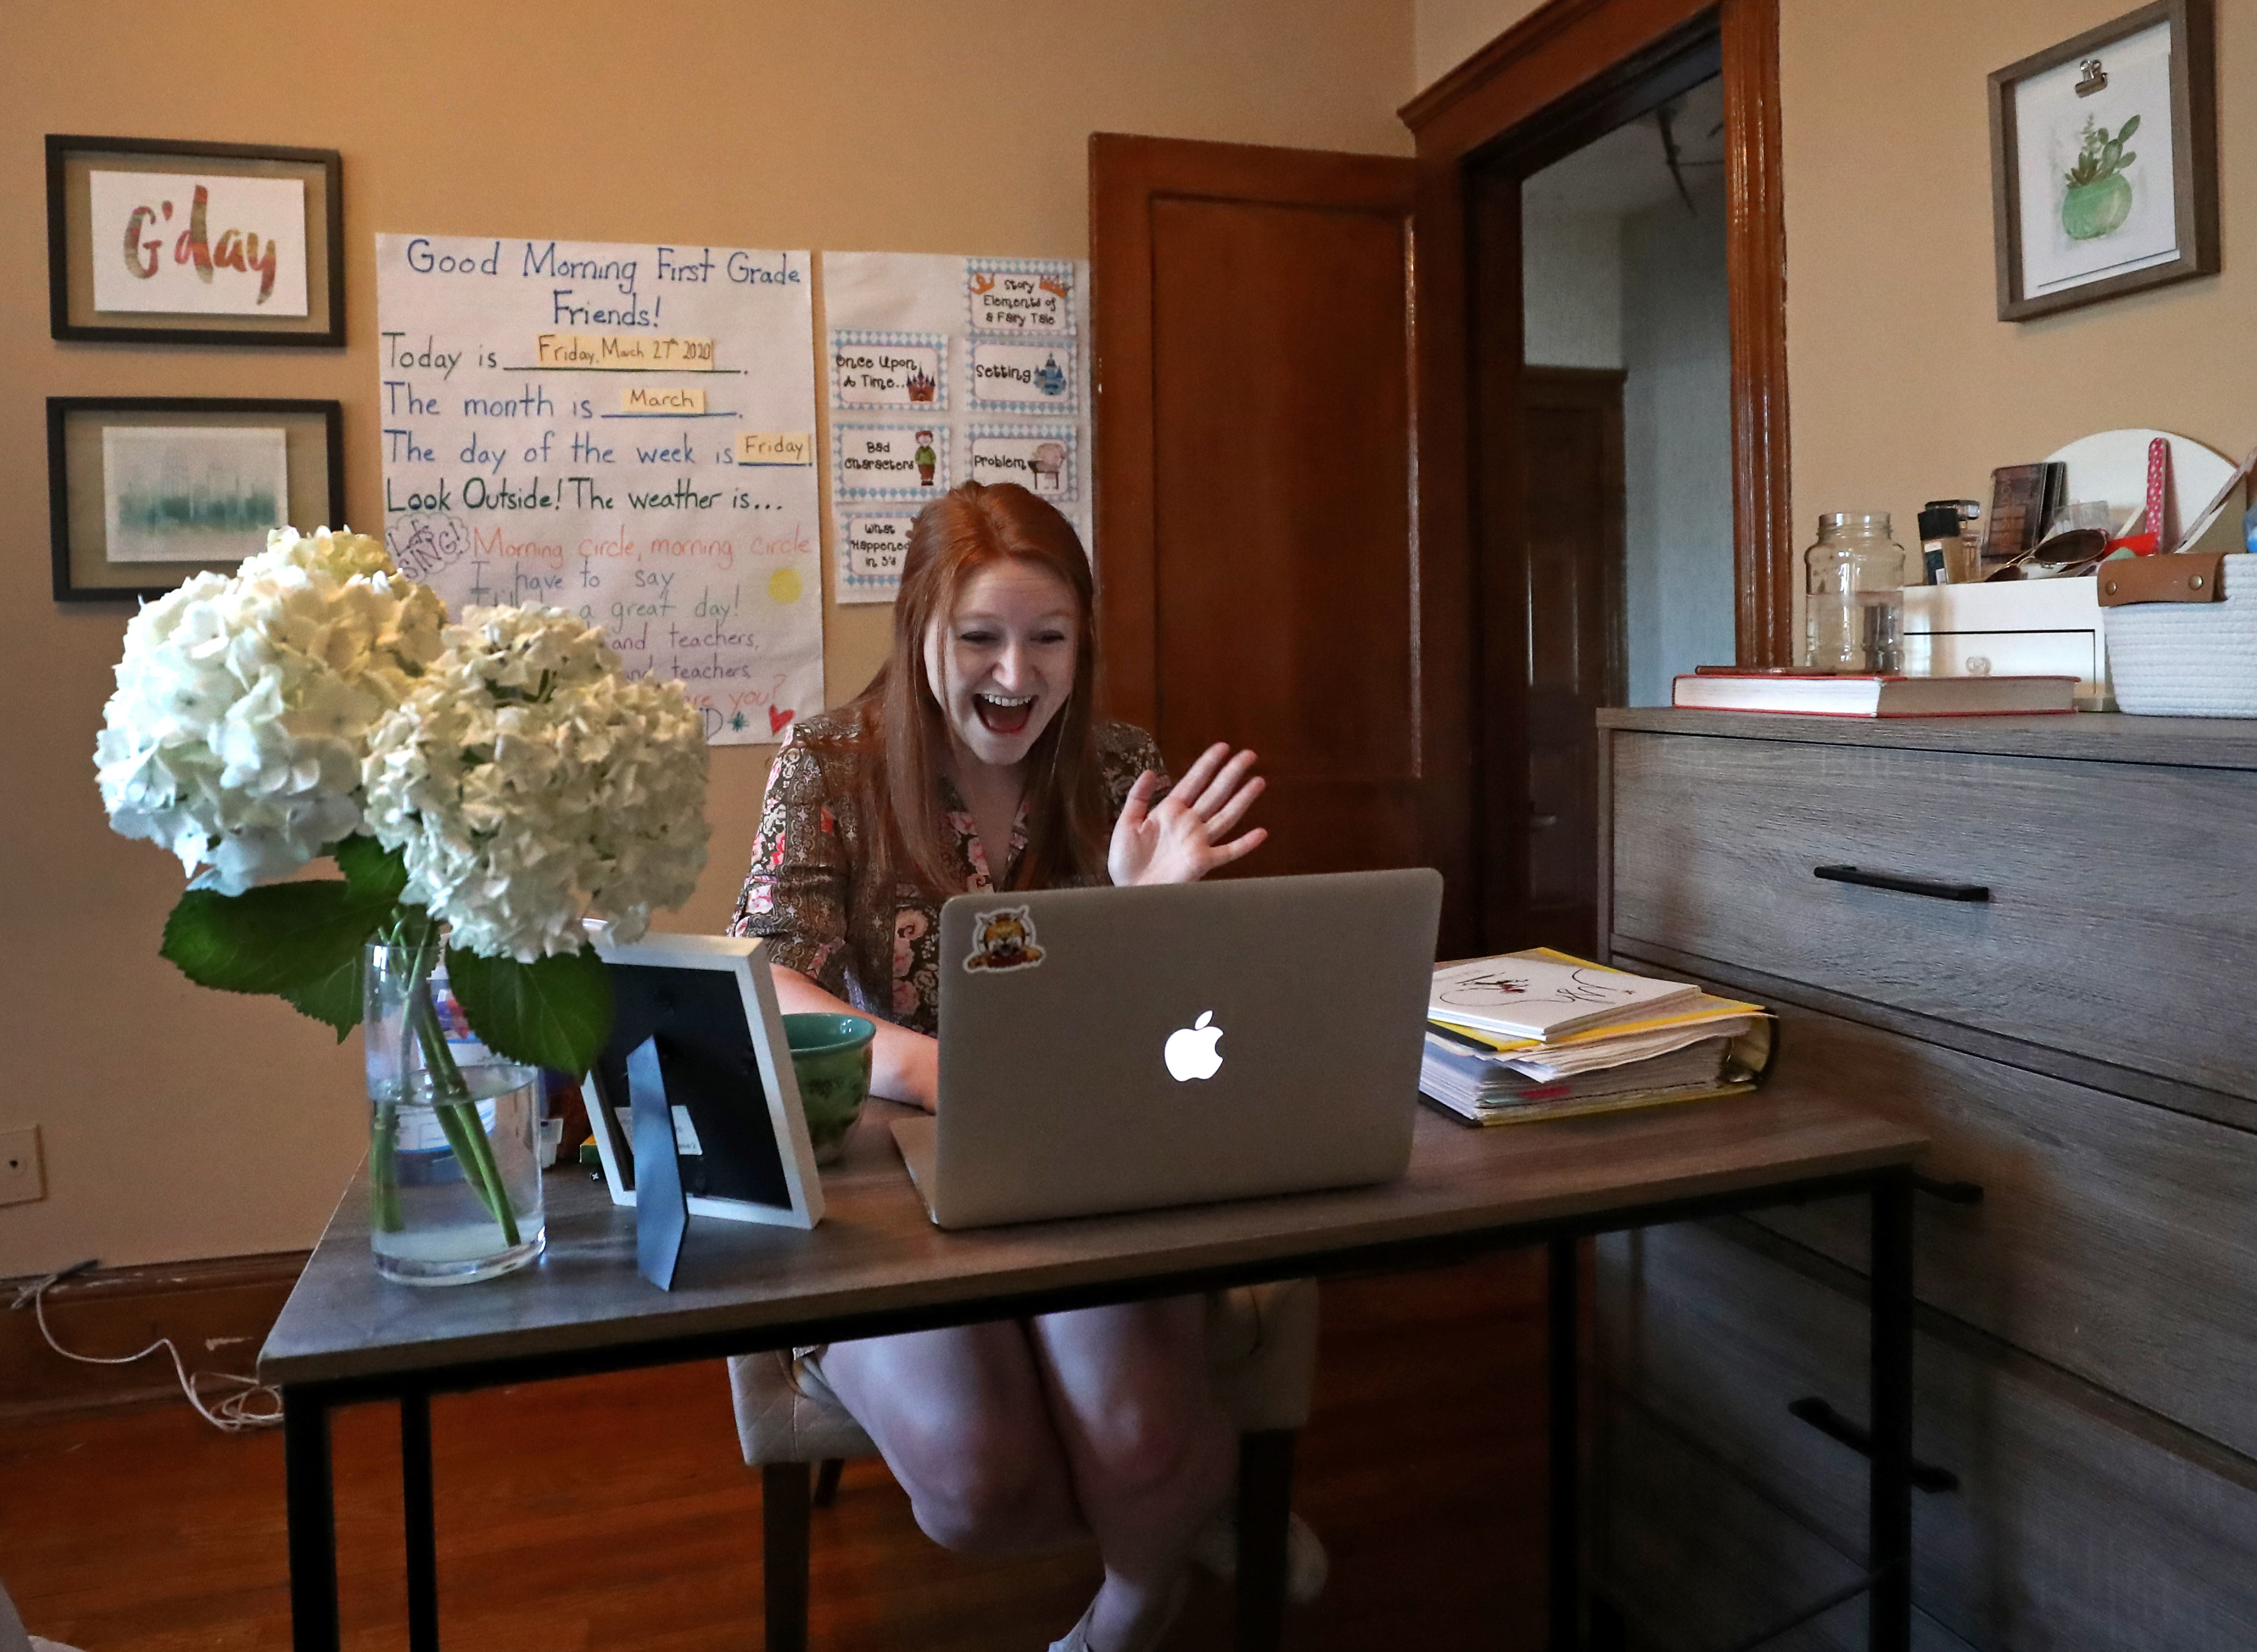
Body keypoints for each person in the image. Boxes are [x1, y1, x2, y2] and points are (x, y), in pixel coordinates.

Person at [728, 481, 1270, 1652]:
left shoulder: (1122, 764)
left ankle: (1136, 1591)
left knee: (1141, 1436)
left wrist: (1149, 912)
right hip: (891, 1187)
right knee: (981, 1484)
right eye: (979, 638)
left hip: (1081, 1168)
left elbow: (1178, 1024)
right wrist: (932, 1071)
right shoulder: (828, 763)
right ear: (921, 628)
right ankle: (1181, 1514)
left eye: (1049, 639)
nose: (1015, 677)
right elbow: (769, 979)